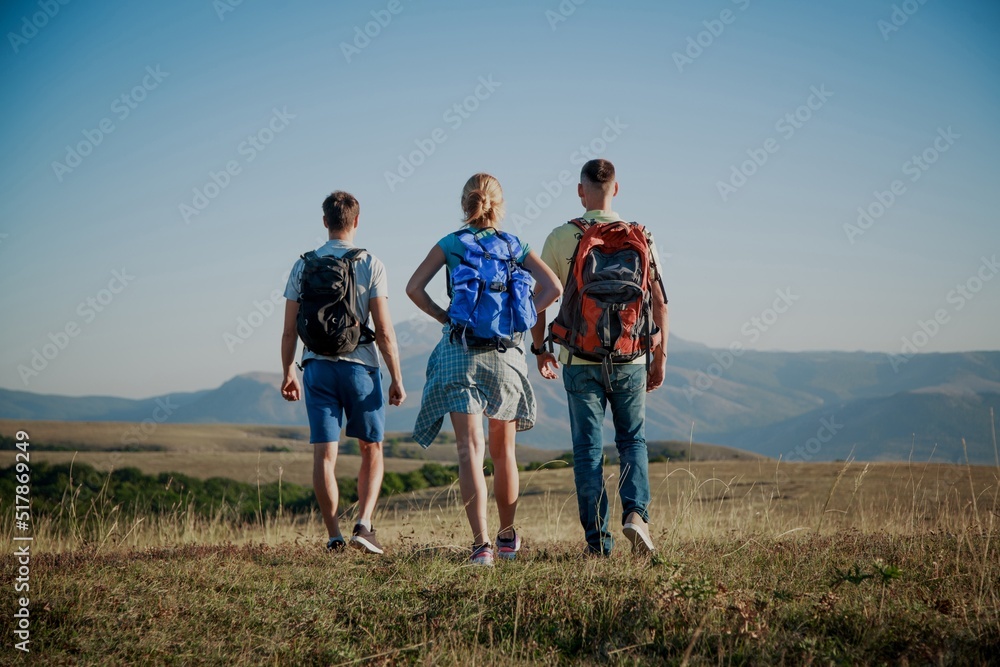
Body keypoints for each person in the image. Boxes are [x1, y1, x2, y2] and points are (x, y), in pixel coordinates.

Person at [406, 173, 562, 566]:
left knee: (469, 451)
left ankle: (481, 546)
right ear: (499, 205)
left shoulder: (451, 244)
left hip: (461, 352)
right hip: (507, 354)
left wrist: (445, 317)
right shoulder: (515, 246)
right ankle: (507, 538)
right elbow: (554, 287)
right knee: (503, 451)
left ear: (466, 205)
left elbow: (413, 288)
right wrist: (520, 316)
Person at [530, 159, 668, 557]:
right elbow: (659, 302)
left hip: (579, 359)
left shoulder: (561, 237)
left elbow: (540, 298)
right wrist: (660, 357)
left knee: (588, 451)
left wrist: (541, 349)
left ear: (580, 190)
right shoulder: (642, 236)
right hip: (631, 355)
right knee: (632, 440)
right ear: (617, 190)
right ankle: (636, 517)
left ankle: (598, 545)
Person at [280, 190, 406, 555]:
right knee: (372, 448)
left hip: (316, 367)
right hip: (360, 368)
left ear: (325, 222)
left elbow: (289, 330)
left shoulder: (302, 264)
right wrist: (396, 377)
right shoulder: (371, 263)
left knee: (324, 455)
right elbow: (384, 331)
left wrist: (288, 370)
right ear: (357, 221)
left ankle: (334, 536)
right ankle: (364, 525)